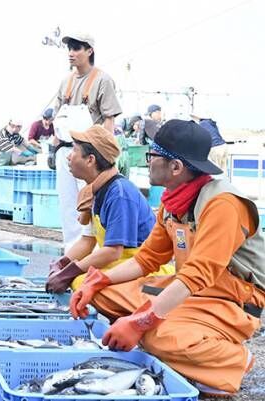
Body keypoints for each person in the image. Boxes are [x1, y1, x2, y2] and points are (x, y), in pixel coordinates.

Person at [69, 119, 264, 396]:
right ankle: (176, 335)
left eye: (153, 155)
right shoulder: (172, 202)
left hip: (230, 299)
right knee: (101, 294)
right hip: (191, 291)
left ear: (176, 167)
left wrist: (140, 322)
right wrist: (99, 279)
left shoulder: (223, 205)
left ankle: (232, 361)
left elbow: (198, 273)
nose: (148, 161)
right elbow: (147, 259)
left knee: (155, 336)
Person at [45, 125, 172, 292]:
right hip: (120, 266)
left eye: (74, 150)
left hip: (146, 272)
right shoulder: (94, 191)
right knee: (79, 281)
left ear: (90, 160)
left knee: (83, 283)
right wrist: (63, 263)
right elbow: (87, 241)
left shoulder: (119, 193)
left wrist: (70, 272)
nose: (69, 156)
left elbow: (113, 251)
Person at [50, 33, 123, 246]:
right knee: (68, 205)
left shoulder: (102, 80)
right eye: (69, 49)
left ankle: (92, 253)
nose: (71, 53)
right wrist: (54, 149)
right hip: (66, 150)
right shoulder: (66, 82)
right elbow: (58, 117)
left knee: (90, 203)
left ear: (89, 50)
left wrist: (105, 156)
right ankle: (71, 254)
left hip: (90, 153)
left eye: (77, 48)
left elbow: (108, 119)